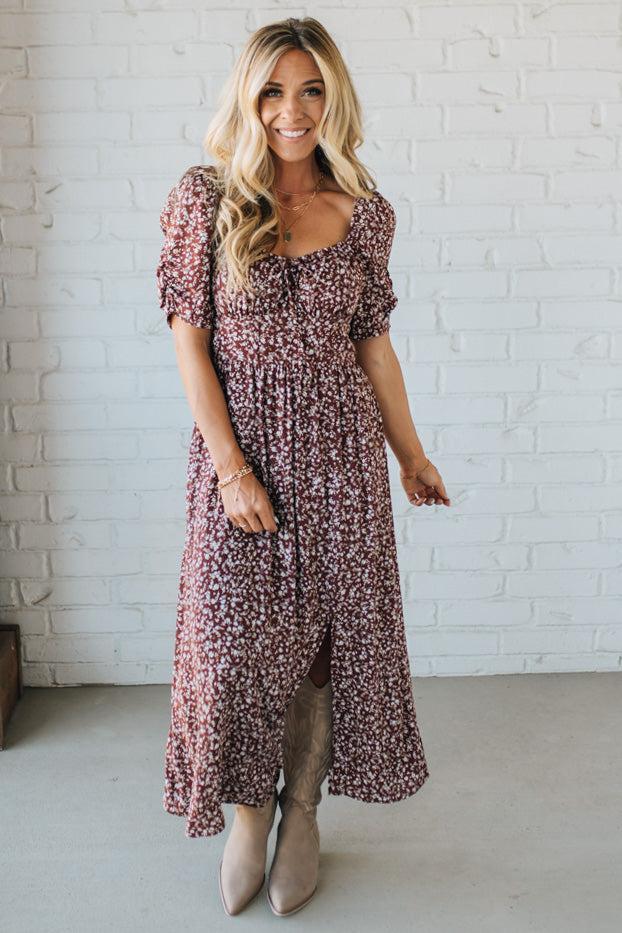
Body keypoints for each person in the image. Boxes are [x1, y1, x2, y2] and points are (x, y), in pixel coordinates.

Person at [156, 15, 451, 918]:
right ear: (249, 97)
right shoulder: (203, 200)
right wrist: (233, 467)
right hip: (242, 465)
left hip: (341, 463)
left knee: (324, 651)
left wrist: (410, 451)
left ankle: (304, 812)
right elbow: (189, 345)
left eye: (313, 89)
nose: (294, 110)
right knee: (235, 646)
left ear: (336, 97)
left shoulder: (366, 215)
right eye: (276, 90)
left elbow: (375, 349)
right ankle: (249, 814)